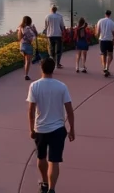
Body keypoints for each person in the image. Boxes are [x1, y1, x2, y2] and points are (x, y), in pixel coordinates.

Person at [27, 57, 75, 193]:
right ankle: (52, 189)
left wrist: (31, 129)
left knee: (41, 157)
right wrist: (72, 128)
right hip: (58, 129)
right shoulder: (61, 86)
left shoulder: (34, 86)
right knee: (54, 161)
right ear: (53, 69)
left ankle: (44, 183)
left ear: (41, 68)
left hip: (40, 128)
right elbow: (69, 110)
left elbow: (31, 110)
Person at [95, 10, 114, 77]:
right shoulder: (112, 22)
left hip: (102, 40)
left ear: (105, 14)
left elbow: (97, 32)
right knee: (110, 55)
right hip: (109, 40)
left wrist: (97, 38)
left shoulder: (100, 21)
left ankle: (104, 67)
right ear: (110, 14)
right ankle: (107, 67)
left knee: (103, 54)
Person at [17, 16, 39, 81]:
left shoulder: (20, 27)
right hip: (28, 45)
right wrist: (34, 30)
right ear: (29, 21)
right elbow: (32, 37)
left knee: (25, 60)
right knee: (28, 61)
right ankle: (26, 74)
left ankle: (25, 71)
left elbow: (20, 37)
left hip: (22, 45)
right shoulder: (28, 28)